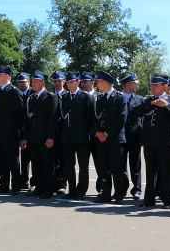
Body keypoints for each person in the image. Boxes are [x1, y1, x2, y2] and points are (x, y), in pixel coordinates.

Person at [132, 74, 170, 209]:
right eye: (151, 85)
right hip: (149, 142)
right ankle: (148, 200)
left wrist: (167, 105)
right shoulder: (148, 100)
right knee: (150, 172)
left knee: (166, 172)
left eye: (155, 85)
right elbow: (135, 112)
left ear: (164, 86)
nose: (152, 88)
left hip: (165, 143)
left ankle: (167, 201)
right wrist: (149, 104)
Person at [92, 70, 129, 203]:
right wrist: (97, 132)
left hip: (115, 139)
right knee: (103, 168)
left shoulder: (120, 97)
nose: (97, 84)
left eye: (98, 82)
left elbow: (122, 118)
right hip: (101, 139)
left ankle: (119, 194)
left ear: (104, 82)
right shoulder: (100, 98)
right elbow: (94, 118)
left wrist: (106, 133)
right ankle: (105, 193)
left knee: (117, 168)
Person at [20, 72, 58, 199]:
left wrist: (51, 137)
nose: (33, 83)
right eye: (32, 80)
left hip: (45, 138)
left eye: (36, 81)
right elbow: (28, 119)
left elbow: (52, 119)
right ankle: (39, 187)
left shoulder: (50, 97)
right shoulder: (32, 98)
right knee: (36, 165)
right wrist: (25, 137)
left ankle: (48, 189)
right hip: (33, 138)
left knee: (47, 165)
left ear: (43, 82)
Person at [58, 72, 92, 200]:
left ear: (77, 82)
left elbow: (90, 118)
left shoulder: (85, 97)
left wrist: (88, 133)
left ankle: (81, 191)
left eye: (71, 82)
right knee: (68, 165)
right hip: (67, 137)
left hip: (82, 137)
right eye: (67, 82)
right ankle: (72, 190)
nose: (69, 84)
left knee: (83, 165)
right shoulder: (64, 97)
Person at [0, 66, 25, 195]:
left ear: (7, 76)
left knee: (13, 160)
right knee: (2, 160)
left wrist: (19, 132)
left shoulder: (14, 91)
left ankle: (16, 186)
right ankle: (3, 185)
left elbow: (20, 113)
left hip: (11, 132)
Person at [121, 74, 143, 200]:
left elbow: (144, 118)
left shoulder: (140, 99)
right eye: (135, 83)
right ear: (128, 84)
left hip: (135, 137)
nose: (137, 85)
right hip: (121, 137)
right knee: (121, 165)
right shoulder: (118, 97)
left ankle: (137, 190)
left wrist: (143, 136)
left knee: (136, 165)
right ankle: (122, 189)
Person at [16, 72, 33, 190]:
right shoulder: (16, 93)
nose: (21, 84)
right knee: (24, 158)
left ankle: (36, 182)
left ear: (29, 82)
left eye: (23, 81)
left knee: (35, 158)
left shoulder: (33, 93)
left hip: (32, 131)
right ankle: (24, 181)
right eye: (19, 82)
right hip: (20, 131)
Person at [51, 72, 67, 194]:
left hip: (65, 133)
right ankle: (54, 183)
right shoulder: (50, 96)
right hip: (52, 133)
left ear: (64, 82)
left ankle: (62, 184)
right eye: (55, 81)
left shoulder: (67, 95)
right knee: (53, 160)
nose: (57, 83)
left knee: (63, 160)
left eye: (59, 81)